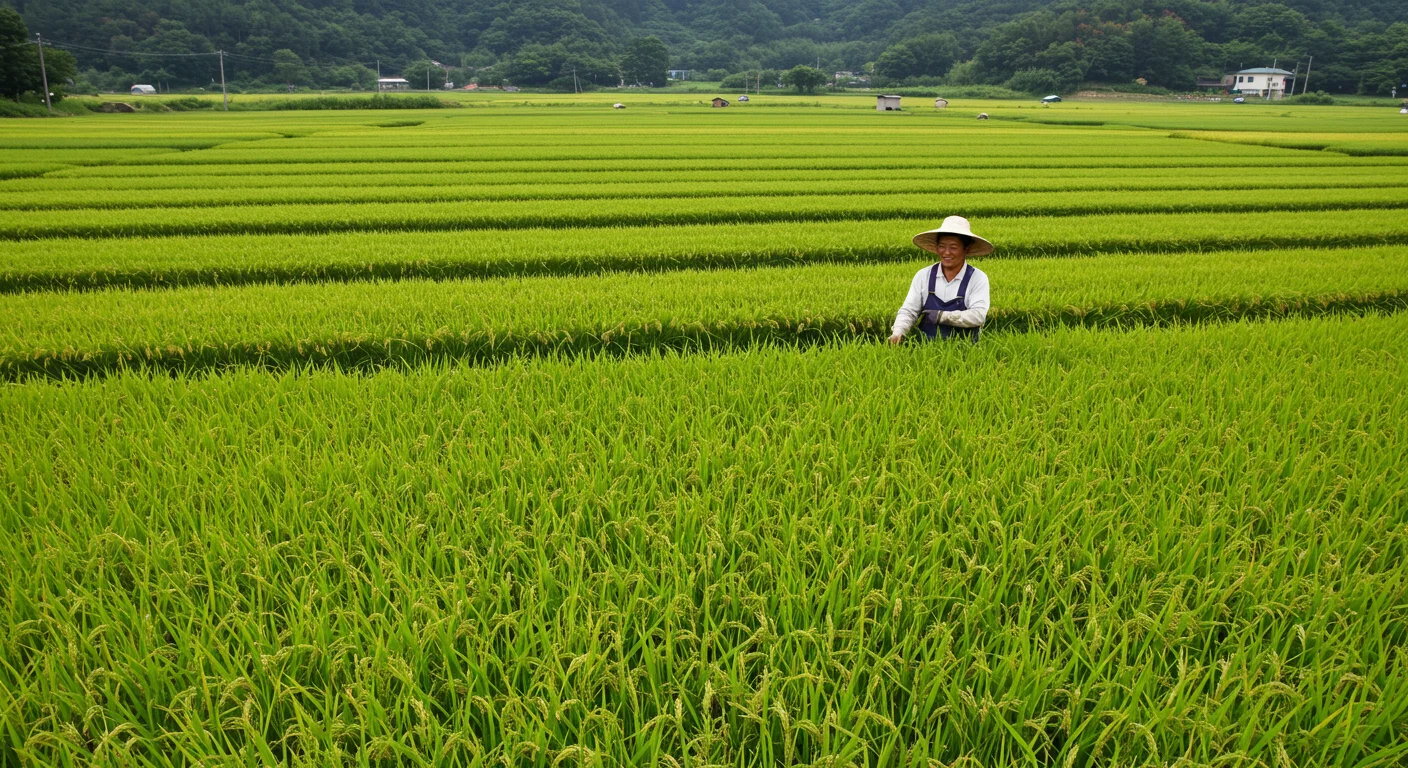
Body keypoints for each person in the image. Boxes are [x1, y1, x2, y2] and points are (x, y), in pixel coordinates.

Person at [888, 216, 992, 344]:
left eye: (953, 247)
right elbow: (909, 310)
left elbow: (978, 316)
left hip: (966, 352)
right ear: (936, 247)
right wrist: (898, 332)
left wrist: (942, 316)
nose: (946, 252)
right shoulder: (923, 276)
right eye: (942, 246)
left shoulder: (977, 278)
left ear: (966, 249)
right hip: (924, 351)